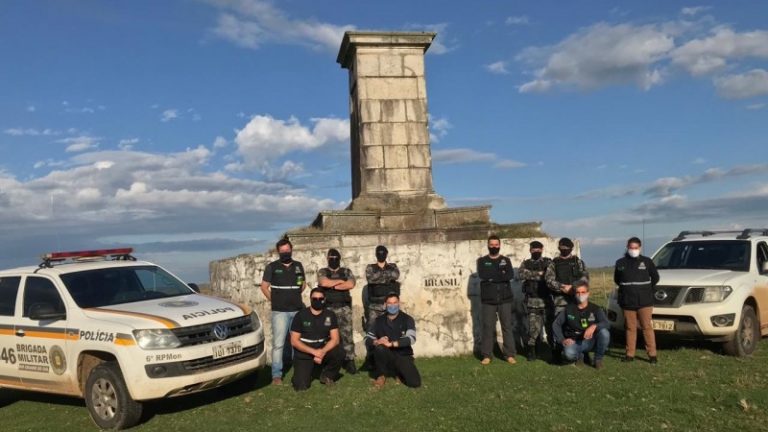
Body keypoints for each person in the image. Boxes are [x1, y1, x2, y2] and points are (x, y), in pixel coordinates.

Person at [260, 238, 306, 385]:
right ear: (278, 252)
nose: (285, 252)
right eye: (283, 251)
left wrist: (297, 292)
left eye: (288, 250)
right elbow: (264, 287)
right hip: (280, 311)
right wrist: (274, 300)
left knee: (297, 342)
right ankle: (276, 375)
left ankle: (300, 368)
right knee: (279, 344)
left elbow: (303, 284)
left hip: (297, 310)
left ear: (291, 250)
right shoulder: (272, 267)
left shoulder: (298, 266)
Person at [614, 237, 660, 364]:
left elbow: (655, 278)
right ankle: (630, 354)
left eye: (635, 248)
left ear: (640, 248)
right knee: (630, 328)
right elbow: (617, 279)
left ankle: (652, 355)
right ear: (627, 247)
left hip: (644, 301)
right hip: (627, 301)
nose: (633, 250)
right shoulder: (620, 263)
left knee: (646, 327)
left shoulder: (647, 261)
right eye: (631, 247)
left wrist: (644, 289)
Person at [289, 288, 345, 391]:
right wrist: (314, 352)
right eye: (315, 299)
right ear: (310, 299)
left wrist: (322, 352)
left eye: (321, 298)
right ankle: (306, 371)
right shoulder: (300, 315)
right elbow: (294, 341)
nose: (318, 301)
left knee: (340, 352)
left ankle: (327, 375)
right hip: (304, 351)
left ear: (325, 299)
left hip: (322, 349)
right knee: (301, 386)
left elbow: (335, 339)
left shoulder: (330, 315)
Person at [545, 237, 589, 363]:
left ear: (571, 248)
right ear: (559, 248)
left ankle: (583, 353)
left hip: (577, 300)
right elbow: (549, 280)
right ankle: (557, 353)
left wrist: (573, 288)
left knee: (581, 326)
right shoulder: (553, 263)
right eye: (561, 247)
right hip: (560, 301)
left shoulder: (578, 262)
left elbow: (585, 279)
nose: (564, 249)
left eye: (566, 248)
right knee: (559, 327)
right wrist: (562, 287)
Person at [365, 293, 421, 388]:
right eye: (389, 303)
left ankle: (398, 372)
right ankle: (381, 375)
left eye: (395, 303)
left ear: (399, 303)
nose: (392, 305)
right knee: (380, 348)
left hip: (403, 355)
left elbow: (411, 339)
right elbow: (367, 339)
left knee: (414, 383)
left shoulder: (407, 319)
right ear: (385, 305)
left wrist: (391, 344)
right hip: (386, 355)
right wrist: (377, 342)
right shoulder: (378, 320)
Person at [476, 235, 517, 365]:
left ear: (500, 245)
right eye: (491, 244)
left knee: (507, 327)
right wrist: (500, 274)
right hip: (488, 300)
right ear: (488, 245)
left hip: (505, 299)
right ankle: (487, 355)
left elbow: (509, 275)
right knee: (488, 327)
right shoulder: (482, 261)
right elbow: (483, 275)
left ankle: (509, 354)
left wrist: (493, 277)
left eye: (496, 244)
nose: (494, 247)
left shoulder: (506, 260)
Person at [552, 280, 610, 369]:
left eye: (583, 292)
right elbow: (556, 324)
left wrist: (594, 326)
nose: (580, 295)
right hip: (575, 341)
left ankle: (598, 359)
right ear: (574, 294)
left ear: (588, 293)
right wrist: (562, 340)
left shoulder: (595, 309)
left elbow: (606, 323)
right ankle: (579, 356)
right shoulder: (568, 309)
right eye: (578, 292)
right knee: (569, 353)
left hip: (591, 341)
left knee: (605, 333)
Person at [317, 248, 358, 374]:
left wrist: (332, 284)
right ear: (327, 258)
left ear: (339, 259)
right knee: (327, 336)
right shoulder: (322, 271)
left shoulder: (346, 271)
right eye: (331, 258)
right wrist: (340, 281)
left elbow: (350, 284)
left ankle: (349, 361)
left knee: (347, 336)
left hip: (344, 308)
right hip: (328, 309)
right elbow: (323, 282)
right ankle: (329, 361)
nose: (333, 260)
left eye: (336, 258)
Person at [517, 240, 552, 361]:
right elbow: (521, 274)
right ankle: (532, 352)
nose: (536, 251)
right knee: (533, 329)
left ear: (542, 249)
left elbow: (550, 276)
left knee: (550, 328)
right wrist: (540, 274)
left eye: (538, 249)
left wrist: (532, 274)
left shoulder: (548, 262)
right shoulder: (525, 263)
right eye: (533, 249)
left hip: (547, 301)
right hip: (532, 301)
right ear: (530, 250)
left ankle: (553, 351)